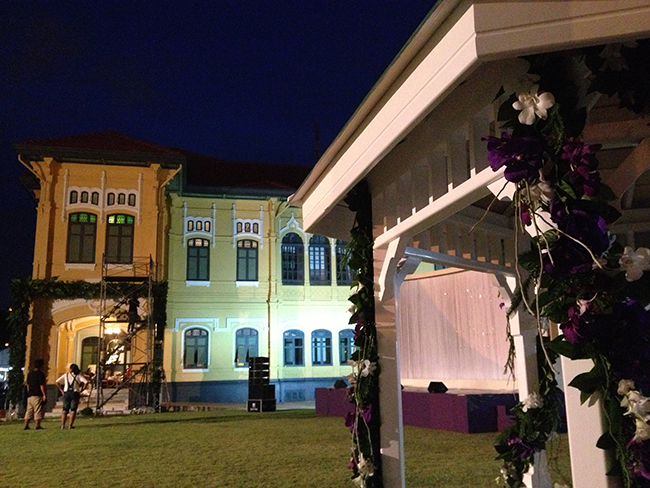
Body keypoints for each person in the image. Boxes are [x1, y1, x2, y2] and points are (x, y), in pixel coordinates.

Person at [56, 363, 88, 429]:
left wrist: (61, 390)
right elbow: (86, 382)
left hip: (66, 393)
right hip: (75, 393)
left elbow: (57, 382)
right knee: (73, 410)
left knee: (64, 409)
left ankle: (62, 425)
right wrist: (82, 389)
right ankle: (70, 425)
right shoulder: (78, 376)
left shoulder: (66, 375)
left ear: (70, 369)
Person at [24, 359, 47, 430]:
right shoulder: (40, 374)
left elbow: (27, 384)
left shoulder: (30, 374)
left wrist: (29, 392)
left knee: (29, 410)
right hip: (37, 395)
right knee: (37, 410)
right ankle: (37, 425)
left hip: (30, 395)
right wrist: (44, 394)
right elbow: (41, 385)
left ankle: (26, 425)